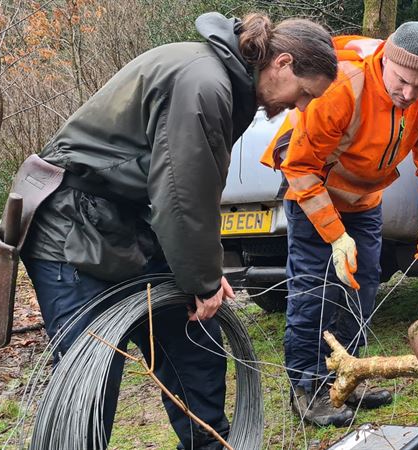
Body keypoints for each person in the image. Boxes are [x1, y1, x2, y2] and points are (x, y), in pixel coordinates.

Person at [19, 12, 336, 449]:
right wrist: (203, 279)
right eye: (304, 93)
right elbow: (182, 195)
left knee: (194, 344)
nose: (301, 107)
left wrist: (204, 272)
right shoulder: (205, 83)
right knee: (90, 382)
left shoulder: (222, 81)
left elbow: (190, 191)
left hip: (126, 222)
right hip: (72, 226)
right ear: (282, 63)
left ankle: (213, 444)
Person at [267, 22, 418, 427]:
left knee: (364, 280)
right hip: (311, 189)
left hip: (364, 198)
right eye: (402, 81)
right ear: (386, 60)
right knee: (314, 289)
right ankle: (308, 386)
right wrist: (335, 236)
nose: (409, 95)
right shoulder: (343, 85)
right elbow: (299, 167)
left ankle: (351, 372)